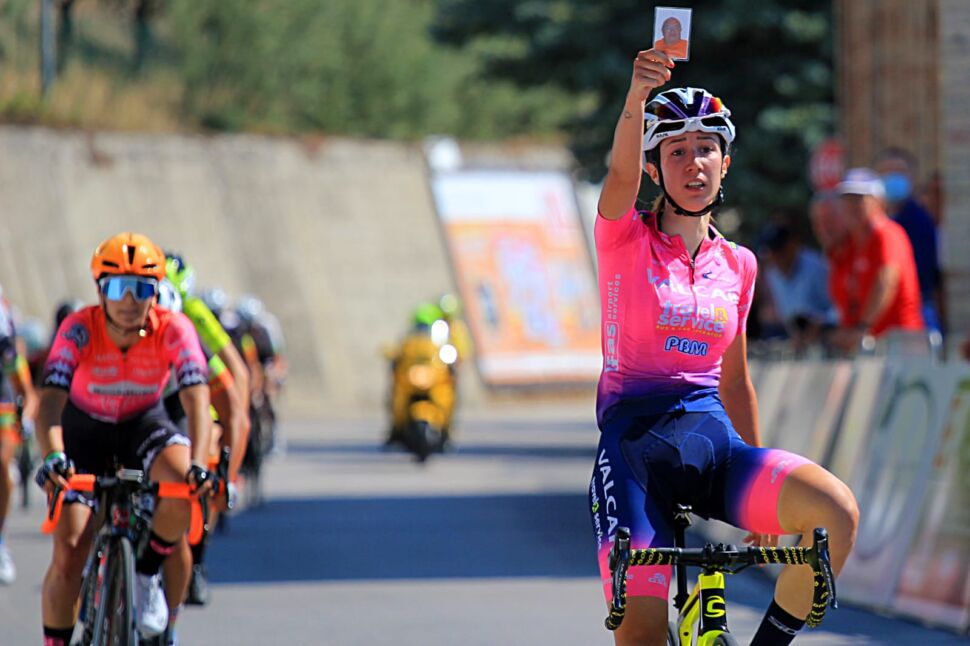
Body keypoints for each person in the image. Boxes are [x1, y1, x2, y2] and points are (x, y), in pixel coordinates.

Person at [590, 48, 858, 646]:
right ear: (655, 170)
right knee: (641, 635)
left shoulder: (739, 264)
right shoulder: (624, 240)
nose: (694, 164)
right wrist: (636, 99)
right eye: (677, 153)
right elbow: (618, 177)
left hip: (715, 450)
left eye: (705, 149)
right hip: (636, 459)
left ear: (725, 162)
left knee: (834, 513)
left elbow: (734, 382)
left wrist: (758, 480)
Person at [34, 232, 212, 645]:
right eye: (117, 288)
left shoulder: (174, 329)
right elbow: (50, 403)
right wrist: (53, 456)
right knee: (69, 552)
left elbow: (197, 399)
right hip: (83, 430)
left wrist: (201, 464)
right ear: (100, 290)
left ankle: (147, 572)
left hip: (142, 423)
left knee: (183, 482)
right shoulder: (78, 329)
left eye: (142, 288)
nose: (129, 300)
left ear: (157, 292)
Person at [828, 168, 924, 353]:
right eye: (847, 199)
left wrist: (862, 327)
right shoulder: (848, 244)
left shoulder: (887, 234)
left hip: (900, 344)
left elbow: (887, 280)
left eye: (859, 199)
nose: (851, 206)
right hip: (868, 347)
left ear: (878, 201)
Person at [875, 148, 944, 334]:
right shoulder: (879, 221)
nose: (892, 178)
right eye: (886, 173)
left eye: (898, 172)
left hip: (915, 312)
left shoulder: (919, 220)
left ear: (911, 178)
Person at [0, 285, 38, 584]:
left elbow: (27, 392)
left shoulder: (7, 349)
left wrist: (25, 418)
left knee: (2, 465)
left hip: (2, 402)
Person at [758, 223, 835, 354]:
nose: (776, 257)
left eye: (780, 250)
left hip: (828, 339)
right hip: (796, 340)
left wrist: (820, 323)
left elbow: (838, 307)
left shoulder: (818, 268)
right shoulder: (772, 274)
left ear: (793, 245)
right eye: (772, 251)